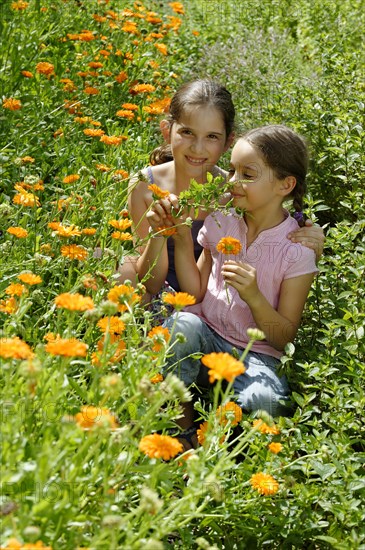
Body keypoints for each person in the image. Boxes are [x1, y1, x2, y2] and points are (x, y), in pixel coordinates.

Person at [147, 124, 319, 448]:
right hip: (206, 337)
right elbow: (196, 292)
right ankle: (182, 431)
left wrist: (254, 296)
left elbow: (283, 337)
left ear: (286, 184)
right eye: (232, 170)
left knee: (266, 404)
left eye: (247, 174)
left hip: (256, 357)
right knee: (181, 325)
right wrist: (184, 239)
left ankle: (223, 429)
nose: (233, 182)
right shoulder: (220, 220)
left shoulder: (296, 250)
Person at [118, 80, 324, 306]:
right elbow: (150, 281)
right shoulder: (143, 185)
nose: (198, 148)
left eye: (212, 137)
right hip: (157, 290)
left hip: (216, 300)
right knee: (125, 272)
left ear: (228, 142)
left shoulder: (236, 191)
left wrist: (313, 238)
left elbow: (275, 226)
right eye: (187, 132)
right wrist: (159, 233)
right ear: (167, 131)